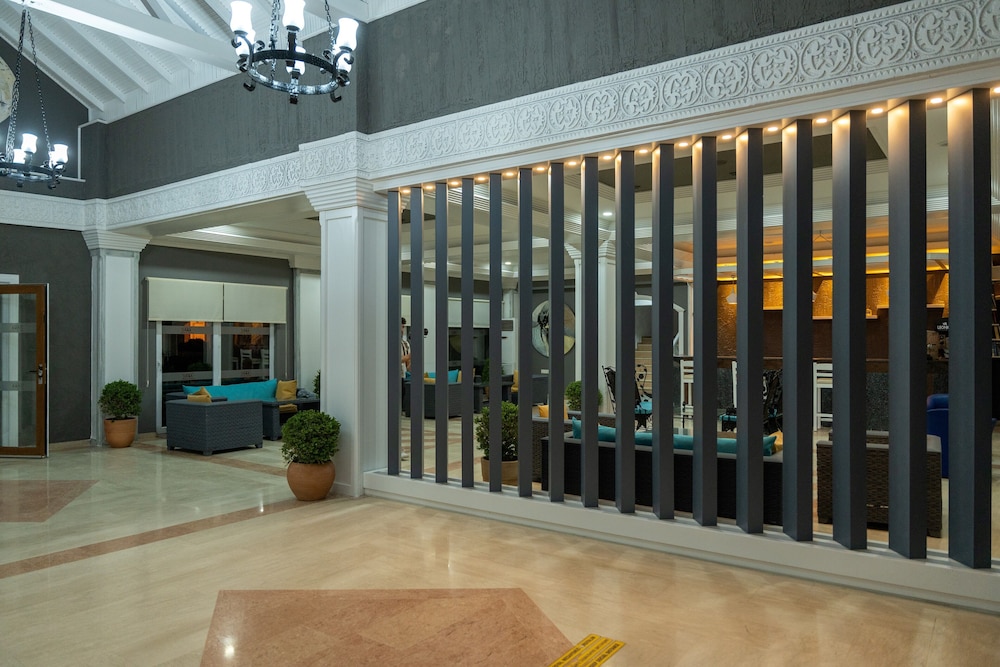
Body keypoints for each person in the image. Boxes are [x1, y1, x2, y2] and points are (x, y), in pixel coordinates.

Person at [400, 318, 410, 460]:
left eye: (403, 326)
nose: (402, 329)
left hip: (401, 379)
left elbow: (408, 366)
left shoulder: (405, 344)